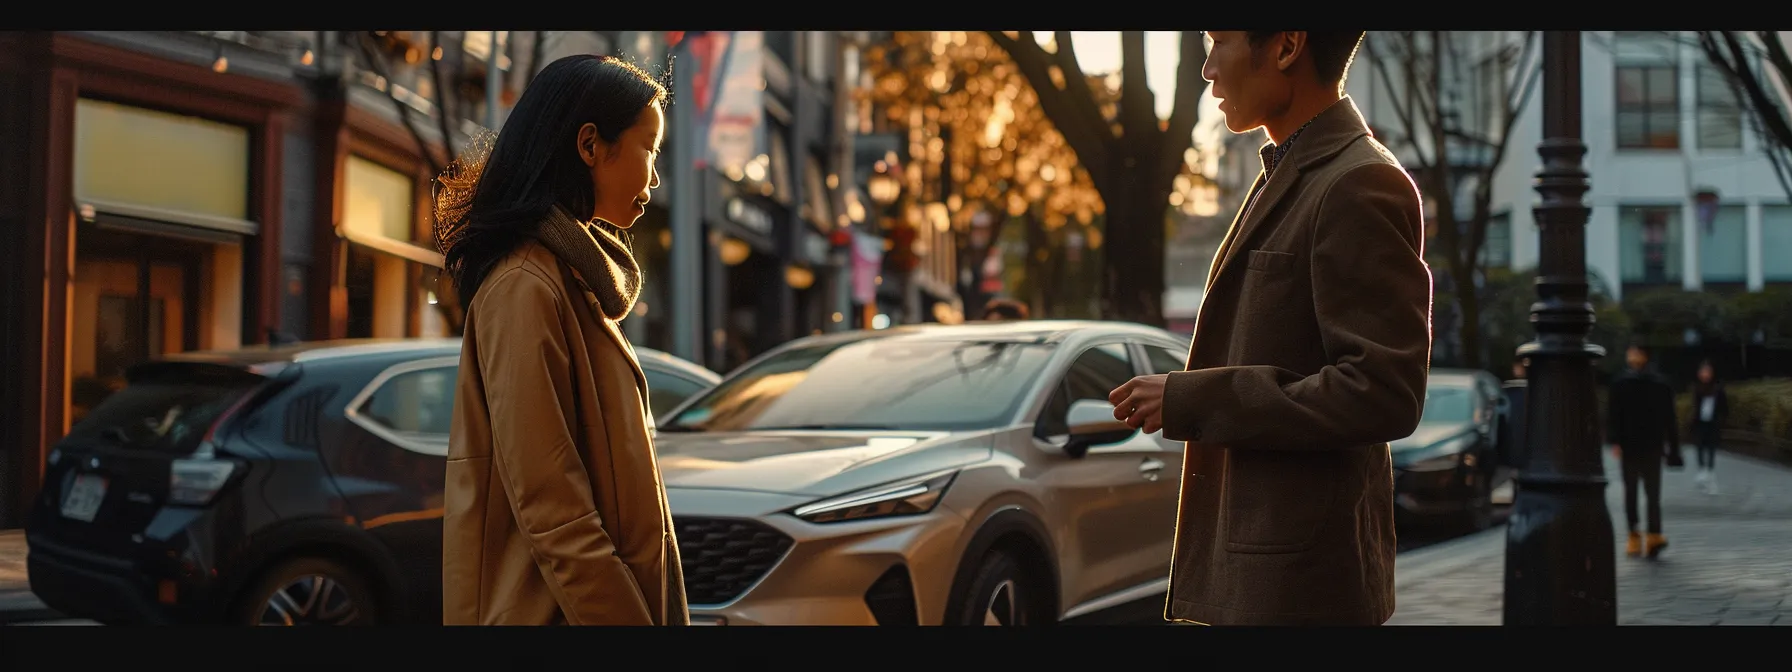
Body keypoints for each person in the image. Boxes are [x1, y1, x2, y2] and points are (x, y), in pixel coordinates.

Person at [1106, 30, 1431, 626]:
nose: (1207, 70)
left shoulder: (1357, 182)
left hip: (1298, 588)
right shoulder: (1289, 172)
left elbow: (1383, 392)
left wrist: (1193, 397)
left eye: (1218, 41)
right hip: (1266, 576)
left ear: (1285, 47)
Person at [435, 54, 688, 625]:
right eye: (649, 150)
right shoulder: (527, 286)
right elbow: (556, 512)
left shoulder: (567, 281)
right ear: (590, 145)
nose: (653, 178)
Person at [1607, 344, 1681, 559]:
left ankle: (1653, 534)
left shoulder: (1660, 384)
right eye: (1631, 352)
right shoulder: (1621, 383)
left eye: (1637, 352)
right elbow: (1613, 415)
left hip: (1652, 446)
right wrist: (1616, 441)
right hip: (1631, 446)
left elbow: (1670, 418)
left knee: (1652, 494)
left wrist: (1673, 447)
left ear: (1646, 356)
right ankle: (1634, 534)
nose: (1633, 356)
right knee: (1631, 493)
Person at [1690, 359, 1728, 494]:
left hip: (1713, 422)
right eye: (1702, 372)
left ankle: (1710, 473)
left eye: (1707, 372)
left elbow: (1724, 407)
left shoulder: (1717, 388)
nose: (1705, 374)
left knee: (1711, 448)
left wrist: (1721, 420)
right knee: (1699, 446)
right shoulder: (1697, 388)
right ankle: (1702, 470)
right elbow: (1695, 406)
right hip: (1700, 422)